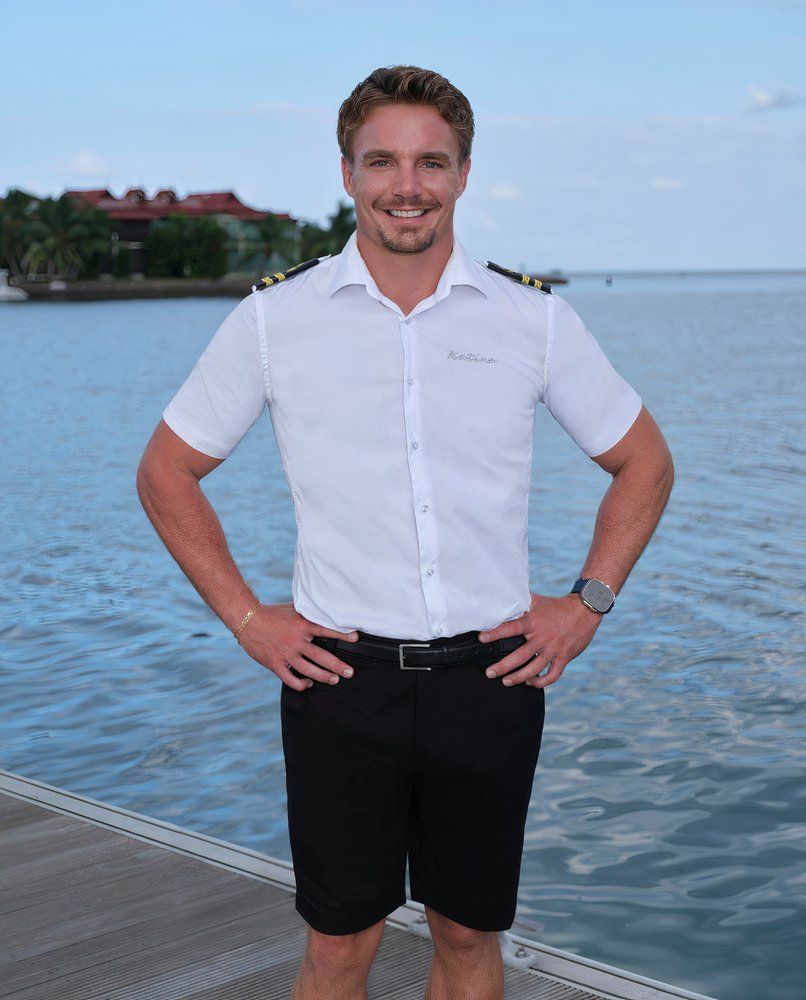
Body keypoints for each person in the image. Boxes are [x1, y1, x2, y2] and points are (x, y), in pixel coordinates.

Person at [137, 65, 674, 1000]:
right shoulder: (275, 319)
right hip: (340, 680)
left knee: (469, 938)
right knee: (339, 945)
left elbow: (646, 462)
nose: (407, 184)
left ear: (465, 173)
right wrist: (246, 618)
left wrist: (586, 605)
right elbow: (165, 472)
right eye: (381, 160)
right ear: (346, 174)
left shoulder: (533, 318)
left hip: (491, 677)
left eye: (432, 161)